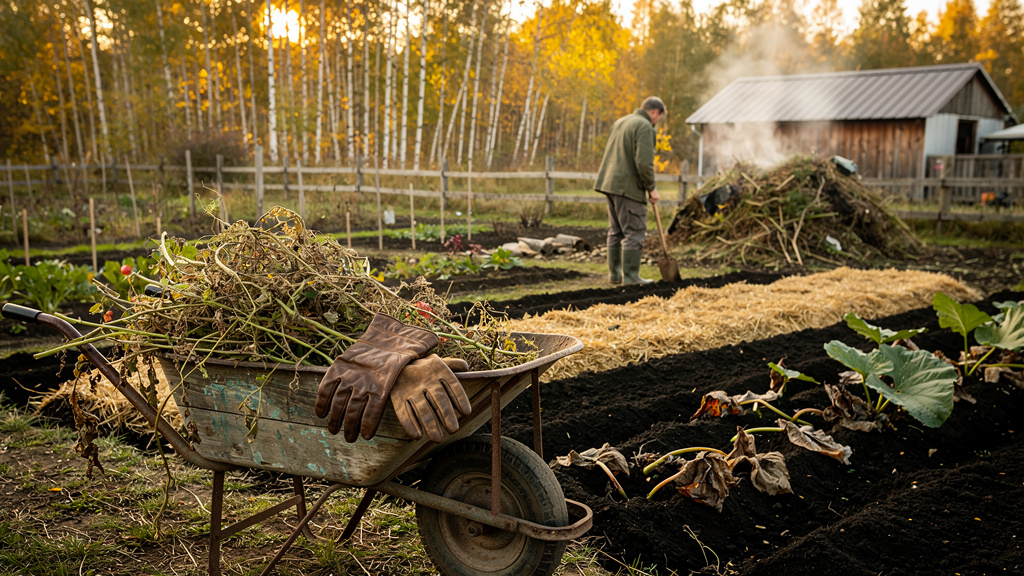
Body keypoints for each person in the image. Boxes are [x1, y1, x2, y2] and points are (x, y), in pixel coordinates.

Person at [594, 96, 664, 285]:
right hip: (628, 187)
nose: (657, 122)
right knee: (634, 231)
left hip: (610, 183)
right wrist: (652, 188)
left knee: (616, 230)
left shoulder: (620, 122)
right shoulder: (644, 126)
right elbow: (644, 162)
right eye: (659, 118)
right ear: (655, 112)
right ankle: (631, 277)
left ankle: (615, 275)